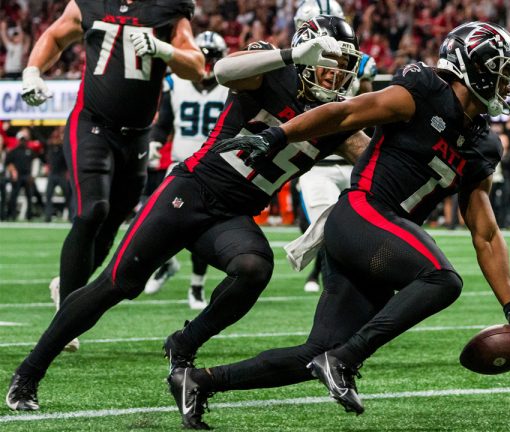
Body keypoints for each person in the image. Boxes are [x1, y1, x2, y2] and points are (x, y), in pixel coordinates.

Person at [166, 22, 510, 429]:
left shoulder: (485, 145)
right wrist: (279, 135)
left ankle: (199, 382)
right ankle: (343, 362)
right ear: (473, 66)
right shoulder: (423, 90)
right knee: (441, 280)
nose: (506, 84)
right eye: (500, 71)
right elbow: (346, 112)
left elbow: (484, 233)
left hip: (379, 244)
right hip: (361, 214)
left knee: (315, 350)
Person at [6, 15, 369, 415]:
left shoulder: (339, 117)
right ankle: (28, 372)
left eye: (343, 66)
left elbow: (376, 162)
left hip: (233, 213)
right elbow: (223, 69)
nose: (335, 76)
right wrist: (289, 54)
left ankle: (185, 343)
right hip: (191, 190)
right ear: (307, 52)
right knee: (117, 283)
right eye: (328, 63)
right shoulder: (272, 71)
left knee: (253, 267)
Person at [20, 0, 205, 352]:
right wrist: (32, 70)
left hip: (137, 134)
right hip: (92, 123)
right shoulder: (90, 2)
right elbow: (56, 36)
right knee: (93, 210)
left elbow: (196, 66)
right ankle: (67, 318)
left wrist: (163, 48)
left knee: (112, 223)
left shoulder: (167, 8)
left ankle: (68, 288)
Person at [293, 0, 378, 293]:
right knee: (328, 230)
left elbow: (370, 110)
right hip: (316, 160)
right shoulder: (292, 66)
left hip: (349, 152)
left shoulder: (362, 63)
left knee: (360, 231)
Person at [142, 31, 230, 310]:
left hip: (214, 169)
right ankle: (167, 265)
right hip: (180, 163)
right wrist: (155, 141)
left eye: (212, 58)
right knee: (151, 219)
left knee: (198, 227)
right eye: (203, 57)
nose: (207, 64)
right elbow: (164, 121)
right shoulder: (175, 83)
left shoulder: (230, 87)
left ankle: (196, 286)